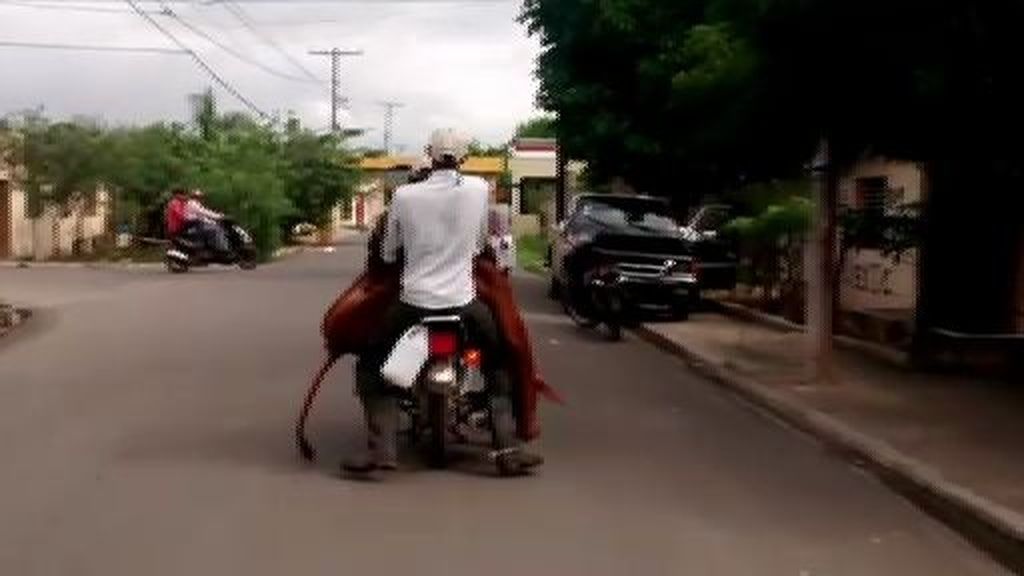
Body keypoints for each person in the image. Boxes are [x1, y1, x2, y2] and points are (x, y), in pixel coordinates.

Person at [343, 128, 543, 476]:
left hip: (413, 303)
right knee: (497, 361)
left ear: (429, 156)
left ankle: (382, 450)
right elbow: (482, 243)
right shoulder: (479, 190)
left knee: (372, 364)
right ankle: (508, 449)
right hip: (463, 302)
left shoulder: (404, 196)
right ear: (464, 159)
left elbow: (389, 252)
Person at [184, 189, 230, 257]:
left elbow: (203, 215)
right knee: (215, 230)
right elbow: (204, 213)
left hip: (197, 223)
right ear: (194, 196)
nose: (200, 198)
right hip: (194, 224)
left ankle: (216, 248)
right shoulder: (192, 203)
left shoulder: (196, 203)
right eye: (198, 196)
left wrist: (216, 219)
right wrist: (218, 217)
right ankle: (221, 249)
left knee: (215, 226)